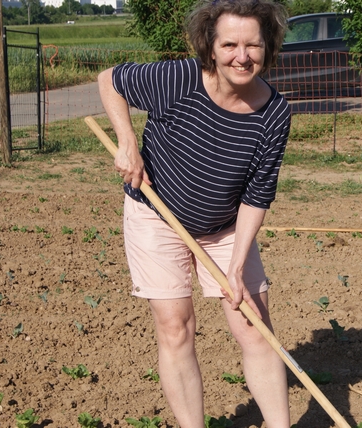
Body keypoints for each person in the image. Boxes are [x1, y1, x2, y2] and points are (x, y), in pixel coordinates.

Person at [97, 1, 291, 427]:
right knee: (176, 326)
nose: (242, 56)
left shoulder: (274, 114)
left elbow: (258, 194)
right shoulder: (179, 79)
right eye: (230, 44)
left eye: (253, 45)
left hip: (224, 227)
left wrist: (238, 263)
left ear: (268, 46)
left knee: (254, 326)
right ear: (210, 45)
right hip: (157, 214)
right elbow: (109, 80)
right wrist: (127, 140)